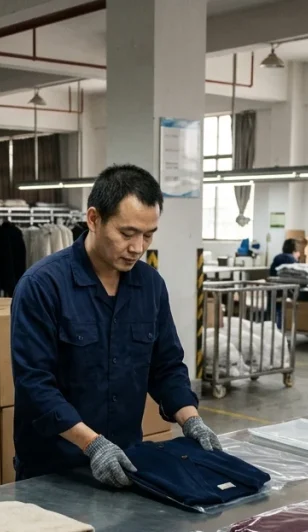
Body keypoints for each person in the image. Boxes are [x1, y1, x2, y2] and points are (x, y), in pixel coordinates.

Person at [11, 163, 222, 486]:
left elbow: (166, 366)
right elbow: (34, 385)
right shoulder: (43, 286)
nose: (138, 247)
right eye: (127, 234)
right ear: (94, 219)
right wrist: (91, 444)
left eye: (148, 235)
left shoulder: (150, 286)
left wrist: (190, 419)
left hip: (127, 464)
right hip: (53, 469)